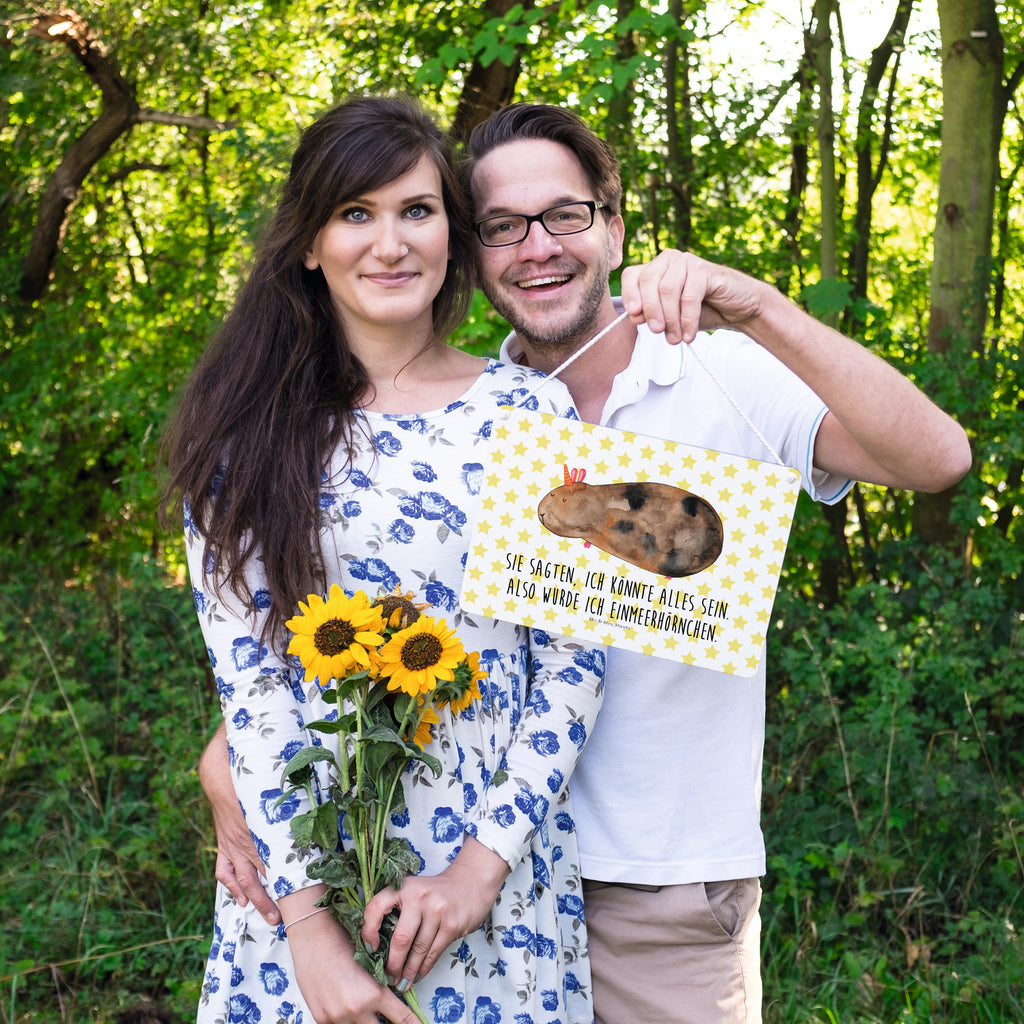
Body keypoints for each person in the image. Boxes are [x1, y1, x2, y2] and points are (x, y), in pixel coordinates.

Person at [202, 102, 972, 1024]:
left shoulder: (710, 372)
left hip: (652, 886)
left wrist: (760, 306)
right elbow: (328, 634)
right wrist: (234, 771)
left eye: (565, 215)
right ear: (474, 249)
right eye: (502, 226)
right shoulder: (461, 417)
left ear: (612, 225)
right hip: (425, 874)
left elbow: (937, 461)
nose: (537, 247)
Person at [163, 96, 607, 1024]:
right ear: (309, 244)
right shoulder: (245, 436)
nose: (390, 243)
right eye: (355, 214)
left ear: (452, 230)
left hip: (493, 888)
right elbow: (254, 691)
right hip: (302, 887)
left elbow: (572, 664)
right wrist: (311, 938)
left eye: (417, 210)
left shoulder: (533, 416)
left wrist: (478, 874)